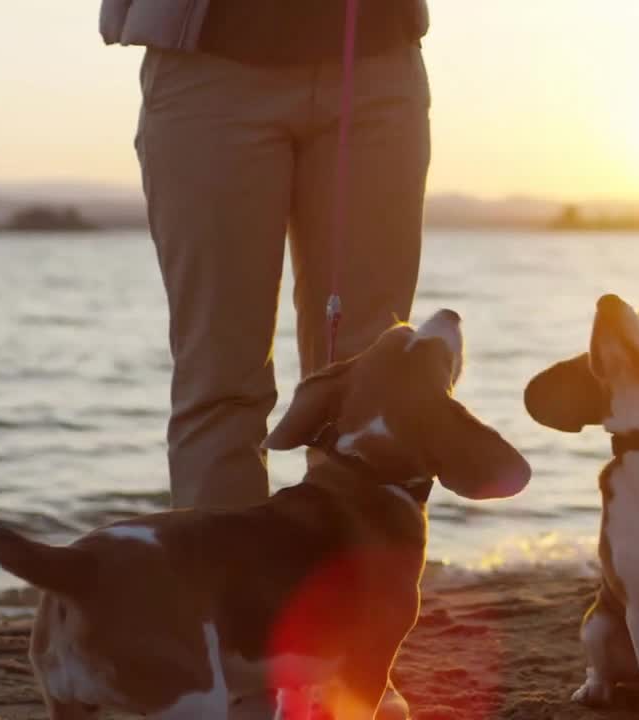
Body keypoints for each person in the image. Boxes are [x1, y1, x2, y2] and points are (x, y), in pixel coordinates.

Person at [99, 1, 432, 510]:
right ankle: (230, 586)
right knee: (221, 382)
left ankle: (357, 585)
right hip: (208, 68)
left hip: (375, 64)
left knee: (369, 375)